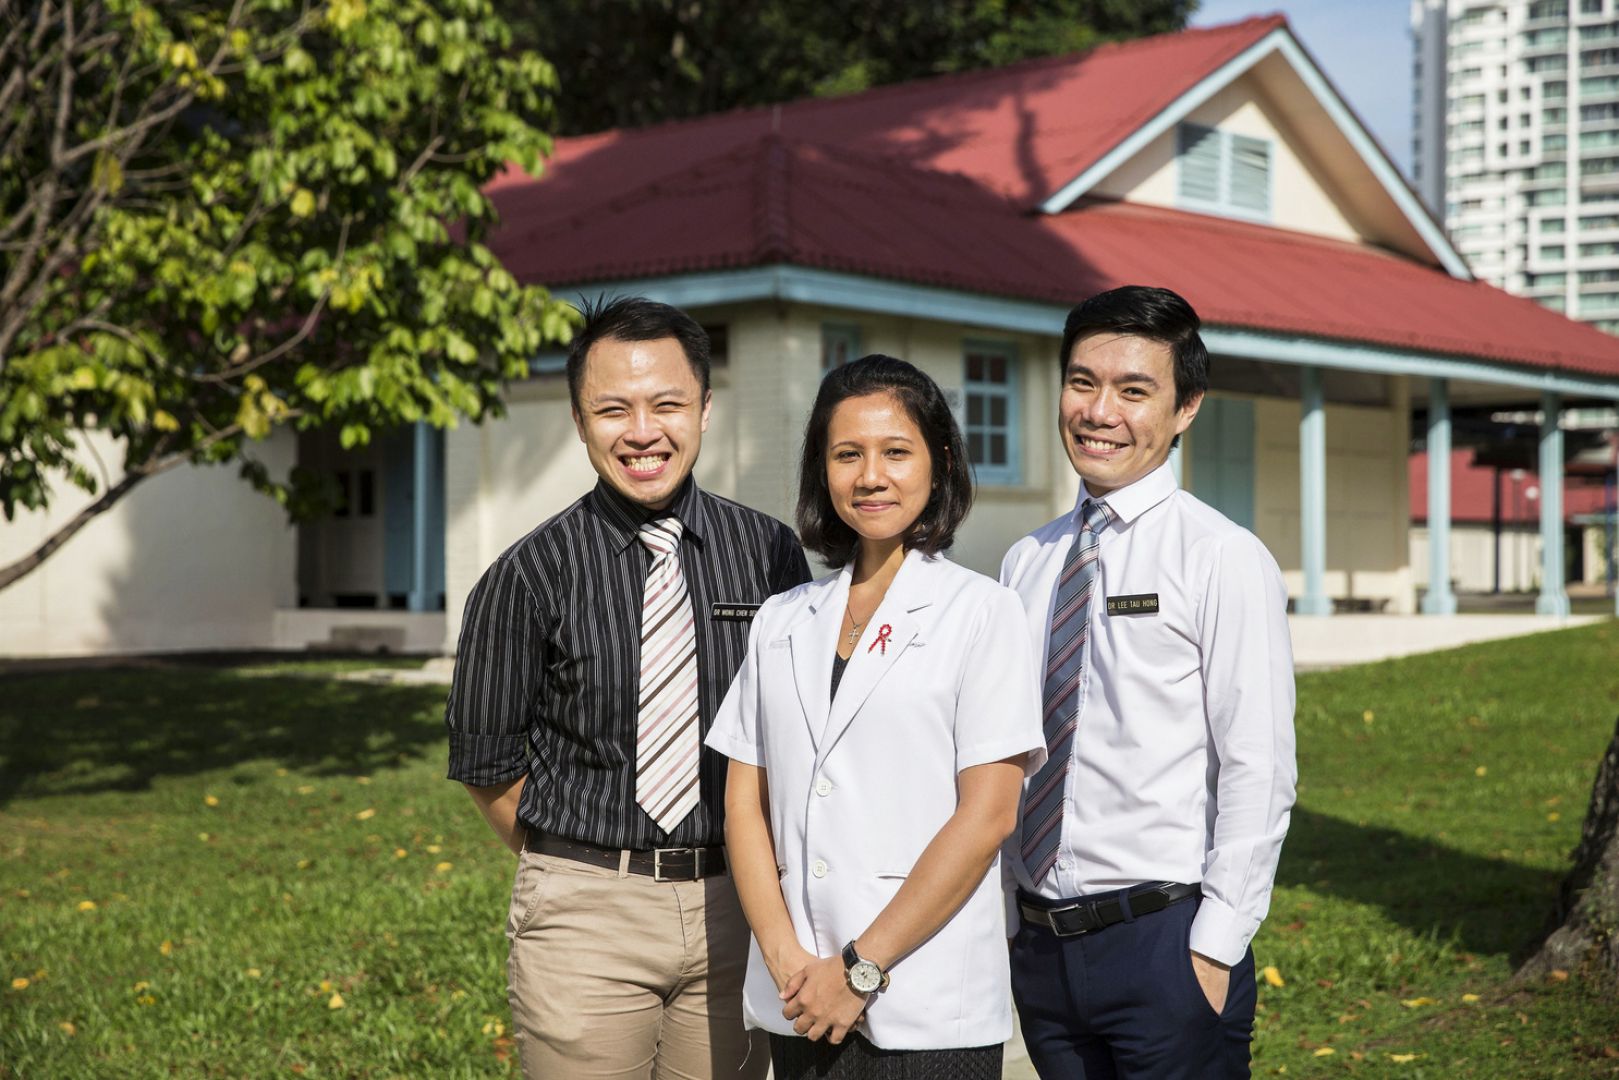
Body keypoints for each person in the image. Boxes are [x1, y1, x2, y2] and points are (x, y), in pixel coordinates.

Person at [444, 296, 811, 1080]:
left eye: (667, 404)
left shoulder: (770, 555)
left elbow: (795, 730)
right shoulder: (526, 575)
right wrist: (585, 869)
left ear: (705, 409)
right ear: (580, 422)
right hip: (585, 915)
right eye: (613, 409)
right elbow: (488, 766)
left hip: (735, 909)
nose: (642, 432)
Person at [705, 354, 1047, 1080]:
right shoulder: (781, 619)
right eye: (846, 454)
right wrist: (783, 956)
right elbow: (743, 802)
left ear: (940, 462)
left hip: (921, 1002)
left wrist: (859, 970)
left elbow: (987, 816)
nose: (870, 475)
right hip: (799, 992)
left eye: (896, 452)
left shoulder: (982, 613)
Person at [1000, 285, 1297, 1079]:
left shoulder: (1219, 557)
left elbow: (1258, 764)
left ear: (1185, 408)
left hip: (1164, 945)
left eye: (1134, 391)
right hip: (1039, 946)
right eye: (1082, 382)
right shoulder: (1025, 563)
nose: (1100, 412)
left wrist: (1215, 944)